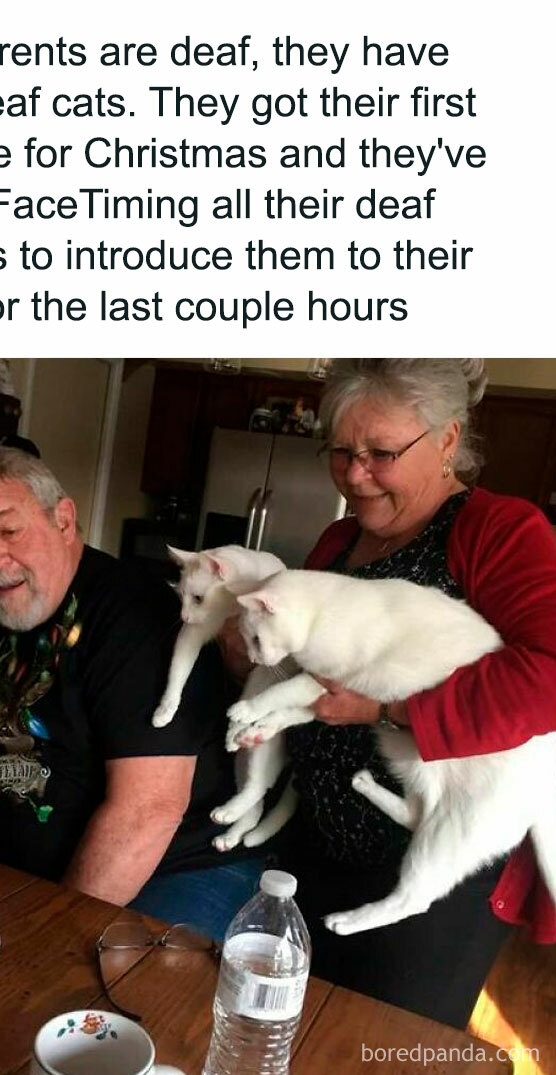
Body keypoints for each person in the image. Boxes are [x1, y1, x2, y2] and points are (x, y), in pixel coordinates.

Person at [223, 358, 556, 1027]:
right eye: (341, 451)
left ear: (447, 440)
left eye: (381, 452)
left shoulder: (499, 532)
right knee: (285, 1027)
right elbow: (317, 677)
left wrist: (388, 710)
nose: (353, 473)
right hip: (314, 843)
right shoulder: (340, 539)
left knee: (380, 1047)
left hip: (433, 864)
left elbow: (549, 673)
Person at [0, 447, 263, 939]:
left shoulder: (135, 616)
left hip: (179, 865)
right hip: (31, 875)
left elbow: (147, 812)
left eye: (8, 530)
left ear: (63, 520)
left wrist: (45, 933)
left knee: (81, 996)